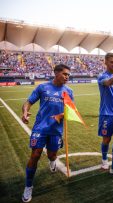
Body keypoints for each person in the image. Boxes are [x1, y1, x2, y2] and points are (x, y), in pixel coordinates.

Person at [21, 64, 73, 202]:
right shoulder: (42, 87)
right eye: (65, 74)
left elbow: (70, 111)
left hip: (56, 130)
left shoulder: (69, 91)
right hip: (40, 128)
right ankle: (28, 186)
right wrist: (25, 112)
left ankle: (52, 161)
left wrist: (60, 116)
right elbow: (28, 102)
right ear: (56, 73)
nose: (67, 77)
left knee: (52, 155)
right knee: (35, 154)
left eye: (68, 75)